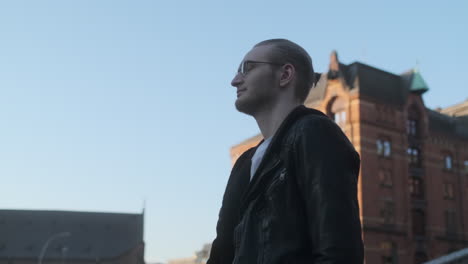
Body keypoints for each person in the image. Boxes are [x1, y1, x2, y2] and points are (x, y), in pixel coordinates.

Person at [207, 39, 364, 264]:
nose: (235, 80)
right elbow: (222, 252)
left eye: (247, 68)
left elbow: (339, 252)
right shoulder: (245, 163)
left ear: (285, 75)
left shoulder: (315, 132)